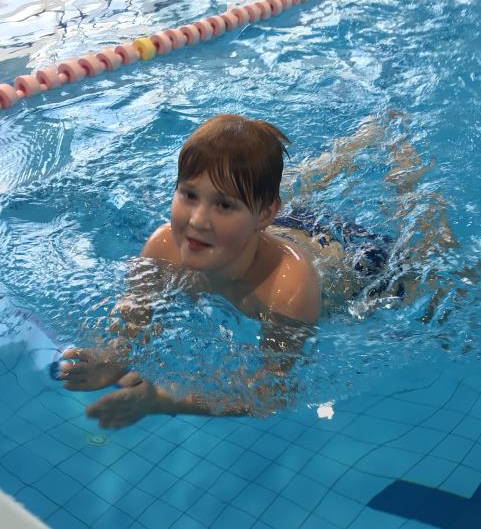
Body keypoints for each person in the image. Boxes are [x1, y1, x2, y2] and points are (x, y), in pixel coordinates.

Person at [59, 114, 321, 427]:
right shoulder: (163, 247)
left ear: (265, 215)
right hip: (256, 231)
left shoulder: (286, 288)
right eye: (190, 195)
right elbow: (133, 317)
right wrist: (112, 358)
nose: (197, 220)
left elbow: (270, 392)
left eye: (224, 205)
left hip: (332, 246)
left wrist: (161, 400)